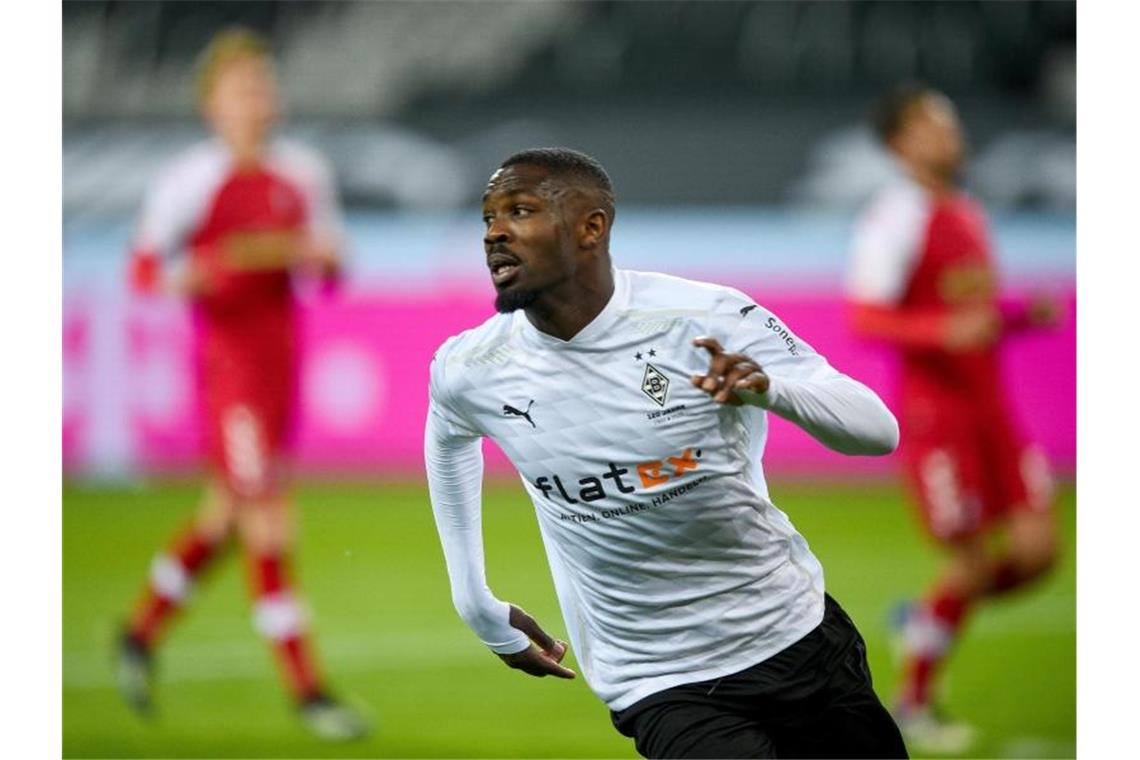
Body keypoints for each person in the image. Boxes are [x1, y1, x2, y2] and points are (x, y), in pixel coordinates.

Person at [425, 147, 907, 758]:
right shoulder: (472, 367)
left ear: (591, 227)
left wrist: (772, 390)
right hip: (658, 681)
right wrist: (473, 600)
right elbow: (447, 440)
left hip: (794, 637)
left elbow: (877, 432)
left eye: (518, 211)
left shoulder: (703, 318)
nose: (494, 233)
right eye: (487, 218)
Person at [114, 28, 367, 741]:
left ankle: (138, 636)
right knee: (269, 517)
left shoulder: (302, 173)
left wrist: (322, 256)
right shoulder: (190, 179)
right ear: (213, 105)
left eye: (263, 84)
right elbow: (142, 269)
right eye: (242, 88)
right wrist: (183, 277)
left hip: (281, 358)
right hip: (229, 369)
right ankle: (309, 691)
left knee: (224, 517)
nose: (258, 98)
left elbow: (332, 266)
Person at [847, 83, 1062, 753]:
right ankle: (912, 703)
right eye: (931, 124)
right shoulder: (894, 218)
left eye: (950, 120)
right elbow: (865, 314)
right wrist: (944, 331)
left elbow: (974, 314)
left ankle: (922, 617)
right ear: (898, 144)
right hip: (939, 416)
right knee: (969, 563)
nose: (949, 133)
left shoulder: (965, 209)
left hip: (994, 407)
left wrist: (1021, 314)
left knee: (1037, 554)